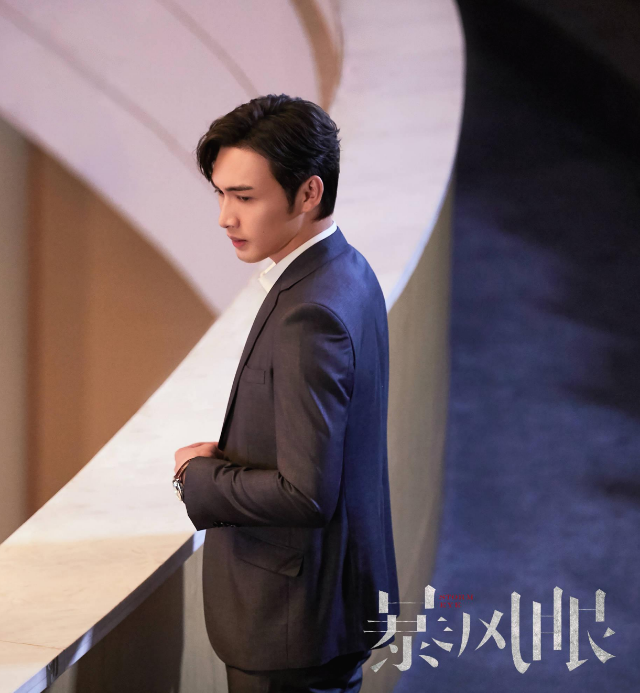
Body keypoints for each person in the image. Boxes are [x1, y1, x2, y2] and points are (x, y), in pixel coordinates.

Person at [173, 94, 399, 693]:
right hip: (326, 605)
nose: (225, 218)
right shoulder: (347, 270)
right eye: (221, 194)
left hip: (291, 621)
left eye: (244, 197)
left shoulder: (310, 312)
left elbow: (305, 493)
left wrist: (198, 476)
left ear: (308, 193)